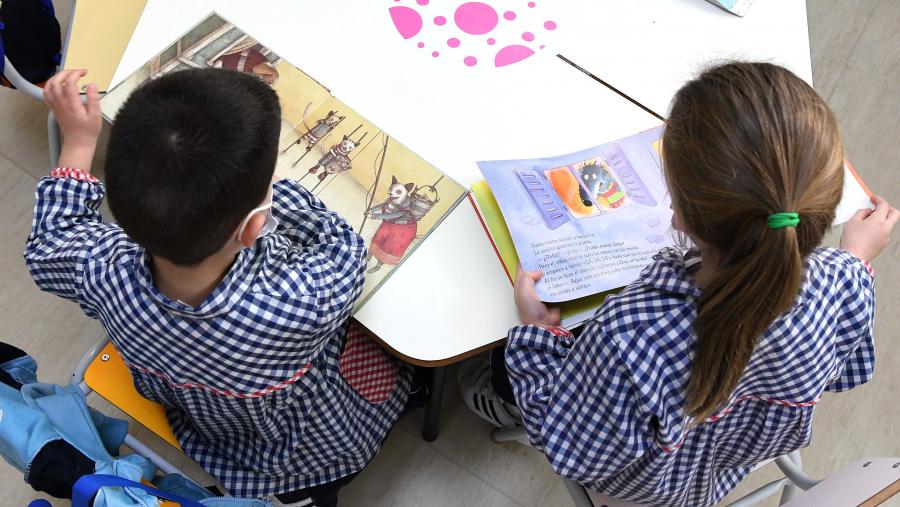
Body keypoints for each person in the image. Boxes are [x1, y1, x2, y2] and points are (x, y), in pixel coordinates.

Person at [459, 62, 898, 506]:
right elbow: (845, 373)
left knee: (502, 363)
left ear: (681, 214)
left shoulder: (628, 335)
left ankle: (496, 398)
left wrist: (538, 334)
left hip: (655, 491)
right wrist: (856, 254)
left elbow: (573, 448)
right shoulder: (844, 280)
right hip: (736, 458)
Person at [25, 68, 412, 505]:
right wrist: (280, 192)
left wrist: (78, 141)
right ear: (252, 227)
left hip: (205, 424)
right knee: (396, 358)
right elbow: (348, 252)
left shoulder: (103, 269)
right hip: (303, 448)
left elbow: (50, 242)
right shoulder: (299, 300)